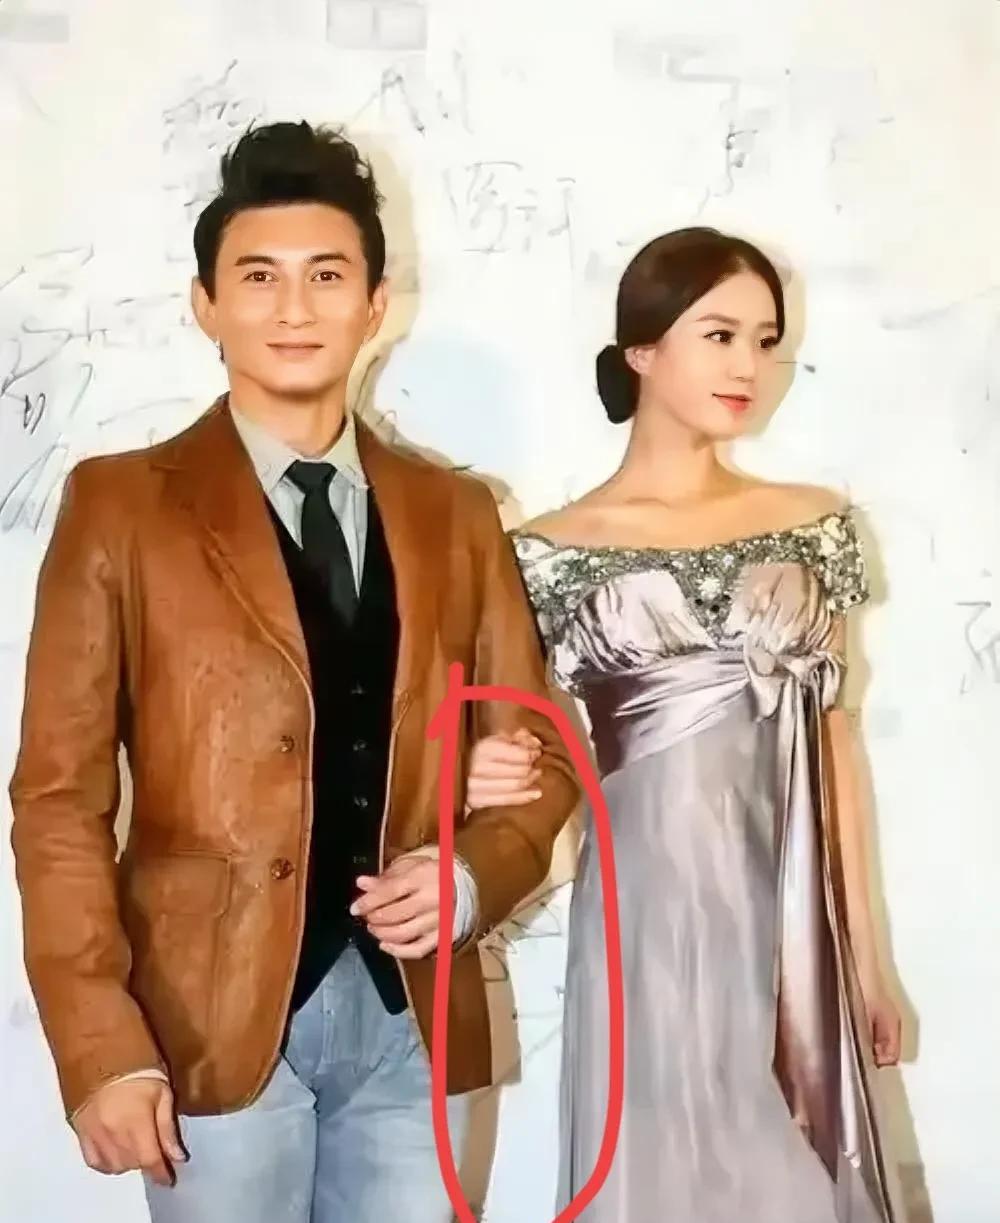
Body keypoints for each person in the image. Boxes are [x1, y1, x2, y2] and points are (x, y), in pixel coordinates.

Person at [9, 120, 578, 1223]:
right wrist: (98, 1043)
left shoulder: (457, 513)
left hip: (416, 1023)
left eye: (326, 275)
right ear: (205, 304)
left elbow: (539, 755)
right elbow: (57, 799)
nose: (293, 307)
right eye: (258, 277)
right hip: (204, 1026)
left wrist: (470, 876)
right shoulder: (120, 505)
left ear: (375, 304)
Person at [465, 228, 904, 1222]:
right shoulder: (543, 553)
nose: (748, 366)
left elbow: (834, 745)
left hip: (789, 918)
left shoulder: (812, 522)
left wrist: (866, 957)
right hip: (642, 917)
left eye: (765, 340)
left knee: (795, 1177)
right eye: (719, 335)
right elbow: (532, 758)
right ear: (642, 348)